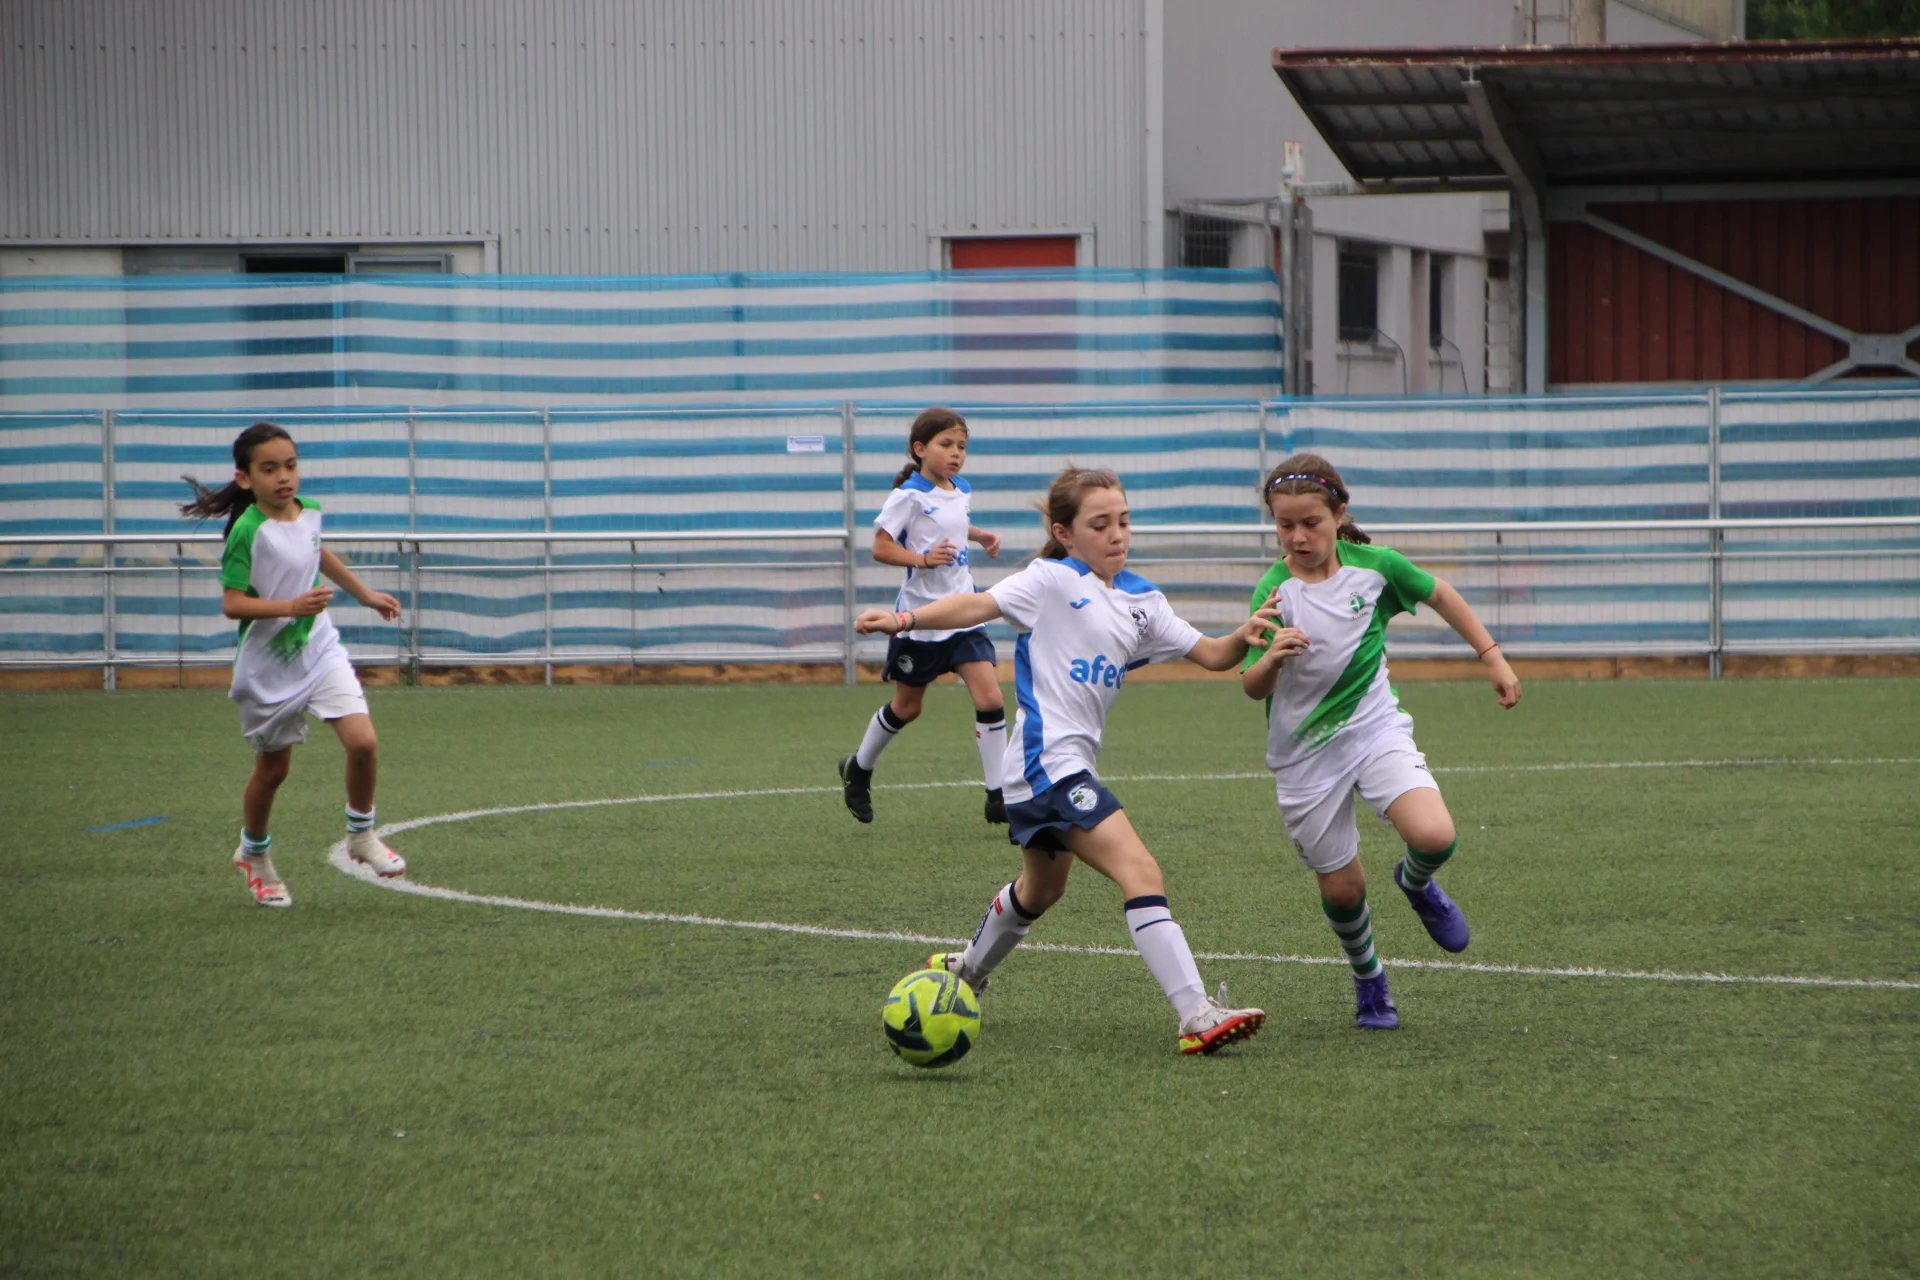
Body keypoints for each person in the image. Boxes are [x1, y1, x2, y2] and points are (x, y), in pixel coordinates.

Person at [856, 467, 1278, 1055]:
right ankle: (1196, 1014)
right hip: (1046, 765)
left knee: (1041, 890)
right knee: (1141, 871)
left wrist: (1247, 634)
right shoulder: (1050, 580)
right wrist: (904, 619)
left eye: (1123, 521)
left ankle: (966, 973)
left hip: (1052, 769)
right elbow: (976, 605)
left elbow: (1211, 654)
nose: (1116, 534)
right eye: (1099, 524)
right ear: (1064, 532)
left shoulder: (1142, 601)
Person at [1240, 453, 1521, 1030]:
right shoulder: (1273, 591)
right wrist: (1271, 659)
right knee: (1344, 890)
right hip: (1305, 756)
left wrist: (1491, 656)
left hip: (1374, 730)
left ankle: (1415, 882)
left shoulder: (1376, 568)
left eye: (1310, 523)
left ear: (1340, 514)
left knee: (1435, 836)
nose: (1298, 536)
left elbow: (1441, 594)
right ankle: (1369, 978)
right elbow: (1251, 686)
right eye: (1285, 525)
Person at [180, 421, 408, 907]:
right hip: (268, 667)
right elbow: (233, 605)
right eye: (269, 469)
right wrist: (292, 606)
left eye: (290, 465)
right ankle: (254, 855)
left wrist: (365, 594)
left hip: (319, 649)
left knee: (363, 742)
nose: (284, 476)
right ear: (245, 478)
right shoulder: (247, 531)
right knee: (273, 771)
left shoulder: (310, 511)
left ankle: (361, 834)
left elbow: (317, 551)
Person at [839, 407, 1009, 826]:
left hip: (965, 613)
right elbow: (880, 547)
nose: (956, 453)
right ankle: (859, 768)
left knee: (990, 698)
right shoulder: (908, 495)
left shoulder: (961, 488)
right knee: (908, 707)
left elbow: (952, 523)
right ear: (920, 449)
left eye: (962, 446)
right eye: (946, 444)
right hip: (920, 620)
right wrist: (922, 559)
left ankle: (999, 795)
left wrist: (980, 535)